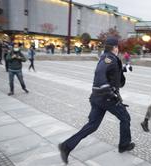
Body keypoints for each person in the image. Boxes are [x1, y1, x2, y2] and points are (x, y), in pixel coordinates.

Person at [58, 36, 135, 164]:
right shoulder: (109, 59)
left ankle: (66, 146)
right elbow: (100, 74)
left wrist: (122, 69)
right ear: (115, 48)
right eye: (118, 47)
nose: (118, 49)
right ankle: (124, 145)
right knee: (125, 118)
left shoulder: (105, 58)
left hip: (97, 98)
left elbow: (111, 73)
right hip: (107, 98)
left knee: (92, 125)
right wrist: (110, 93)